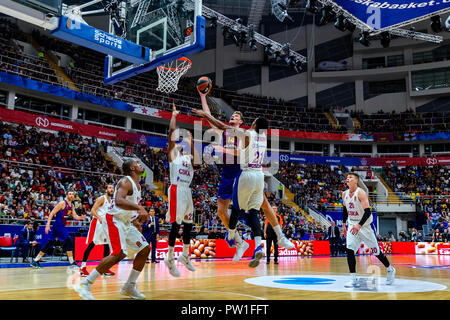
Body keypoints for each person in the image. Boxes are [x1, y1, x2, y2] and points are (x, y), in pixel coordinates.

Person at [197, 92, 294, 261]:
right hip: (227, 173)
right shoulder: (223, 133)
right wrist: (203, 96)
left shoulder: (243, 133)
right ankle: (240, 242)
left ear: (241, 122)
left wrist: (222, 150)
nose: (233, 116)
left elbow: (239, 152)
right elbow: (210, 119)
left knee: (263, 203)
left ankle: (280, 235)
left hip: (242, 171)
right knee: (221, 212)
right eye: (232, 114)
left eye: (236, 115)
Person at [193, 108, 268, 268]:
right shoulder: (264, 137)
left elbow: (222, 127)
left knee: (235, 209)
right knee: (249, 213)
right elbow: (222, 129)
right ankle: (257, 246)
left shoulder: (247, 134)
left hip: (244, 173)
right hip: (258, 176)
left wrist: (207, 115)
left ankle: (232, 235)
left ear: (252, 124)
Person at [75, 160, 150, 300]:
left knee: (145, 249)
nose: (141, 165)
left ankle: (129, 286)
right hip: (114, 220)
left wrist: (135, 220)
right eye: (138, 164)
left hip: (126, 222)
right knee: (119, 253)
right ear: (133, 168)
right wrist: (139, 208)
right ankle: (85, 284)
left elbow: (126, 207)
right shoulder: (125, 182)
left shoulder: (138, 185)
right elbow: (119, 201)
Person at [342, 172, 395, 288]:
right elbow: (345, 210)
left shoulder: (360, 193)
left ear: (356, 181)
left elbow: (368, 211)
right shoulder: (344, 194)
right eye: (347, 178)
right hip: (352, 225)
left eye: (350, 177)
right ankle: (353, 279)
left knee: (376, 252)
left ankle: (390, 269)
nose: (348, 179)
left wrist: (359, 225)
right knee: (349, 250)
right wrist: (343, 224)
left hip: (365, 226)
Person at [164, 102, 198, 277]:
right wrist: (174, 116)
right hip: (177, 189)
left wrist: (191, 141)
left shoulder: (189, 159)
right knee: (176, 225)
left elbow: (197, 161)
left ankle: (185, 255)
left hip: (187, 191)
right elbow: (171, 135)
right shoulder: (174, 157)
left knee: (188, 224)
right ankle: (169, 257)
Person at [31, 191, 86, 269]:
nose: (71, 195)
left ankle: (35, 261)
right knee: (69, 240)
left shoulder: (72, 205)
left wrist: (80, 218)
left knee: (50, 243)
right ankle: (72, 262)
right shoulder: (62, 203)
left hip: (61, 226)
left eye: (72, 194)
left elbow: (75, 216)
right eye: (69, 194)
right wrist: (47, 225)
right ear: (67, 196)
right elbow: (52, 213)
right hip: (58, 225)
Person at [79, 184, 115, 277]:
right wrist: (99, 217)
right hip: (97, 224)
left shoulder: (111, 201)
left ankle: (105, 268)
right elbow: (92, 210)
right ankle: (82, 268)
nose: (111, 189)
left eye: (112, 188)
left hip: (105, 225)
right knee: (91, 245)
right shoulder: (101, 199)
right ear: (106, 190)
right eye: (110, 188)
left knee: (107, 245)